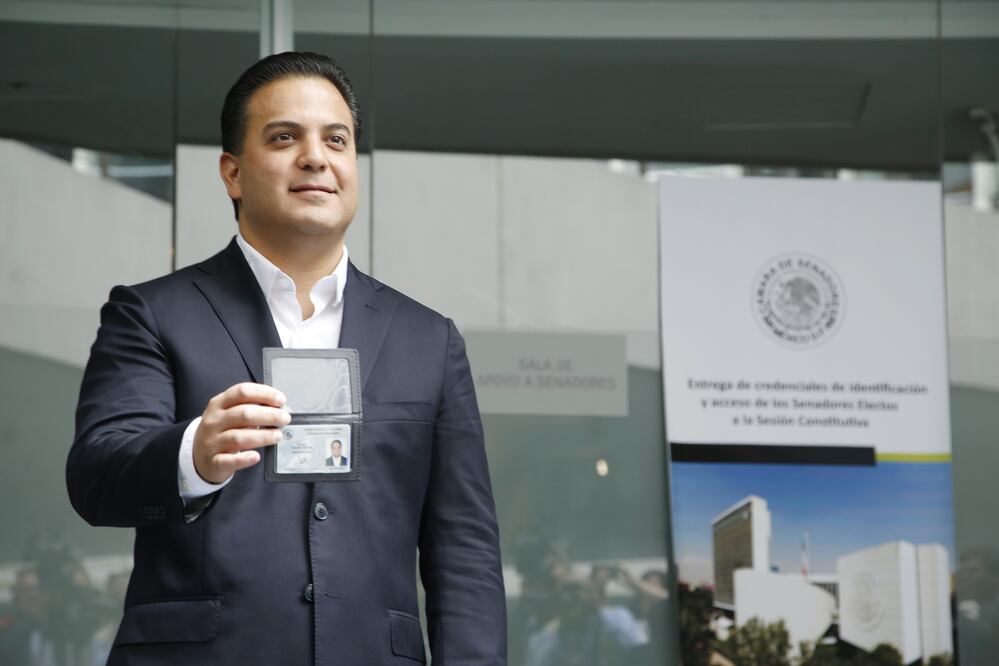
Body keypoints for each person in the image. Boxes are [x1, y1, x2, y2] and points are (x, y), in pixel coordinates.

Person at [67, 51, 506, 665]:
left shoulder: (429, 340)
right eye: (283, 137)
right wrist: (193, 453)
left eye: (336, 139)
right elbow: (95, 477)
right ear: (232, 173)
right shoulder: (150, 314)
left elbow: (465, 550)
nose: (315, 156)